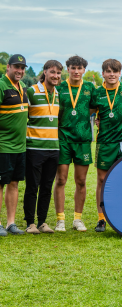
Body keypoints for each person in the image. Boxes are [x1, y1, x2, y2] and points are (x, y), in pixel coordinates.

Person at [91, 59, 122, 232]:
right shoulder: (97, 93)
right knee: (101, 180)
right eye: (108, 71)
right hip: (104, 142)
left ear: (120, 73)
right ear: (103, 73)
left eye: (115, 71)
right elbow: (87, 111)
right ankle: (101, 218)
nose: (112, 74)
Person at [54, 56, 96, 232]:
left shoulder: (89, 88)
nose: (76, 71)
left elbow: (93, 108)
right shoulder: (60, 87)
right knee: (61, 179)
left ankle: (77, 219)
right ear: (68, 69)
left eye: (79, 68)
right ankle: (60, 220)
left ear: (84, 70)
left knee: (81, 180)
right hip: (63, 138)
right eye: (73, 68)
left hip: (83, 140)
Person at [23, 60, 63, 234]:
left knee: (47, 186)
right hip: (34, 148)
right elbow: (21, 116)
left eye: (58, 73)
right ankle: (30, 223)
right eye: (52, 72)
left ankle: (42, 222)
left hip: (53, 148)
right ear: (45, 72)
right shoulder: (31, 91)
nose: (55, 76)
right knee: (33, 186)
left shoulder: (58, 93)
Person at [0, 54, 29, 236]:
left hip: (20, 146)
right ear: (8, 67)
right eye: (16, 67)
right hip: (3, 146)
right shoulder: (1, 85)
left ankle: (11, 223)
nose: (19, 71)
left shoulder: (23, 87)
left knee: (14, 183)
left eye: (22, 68)